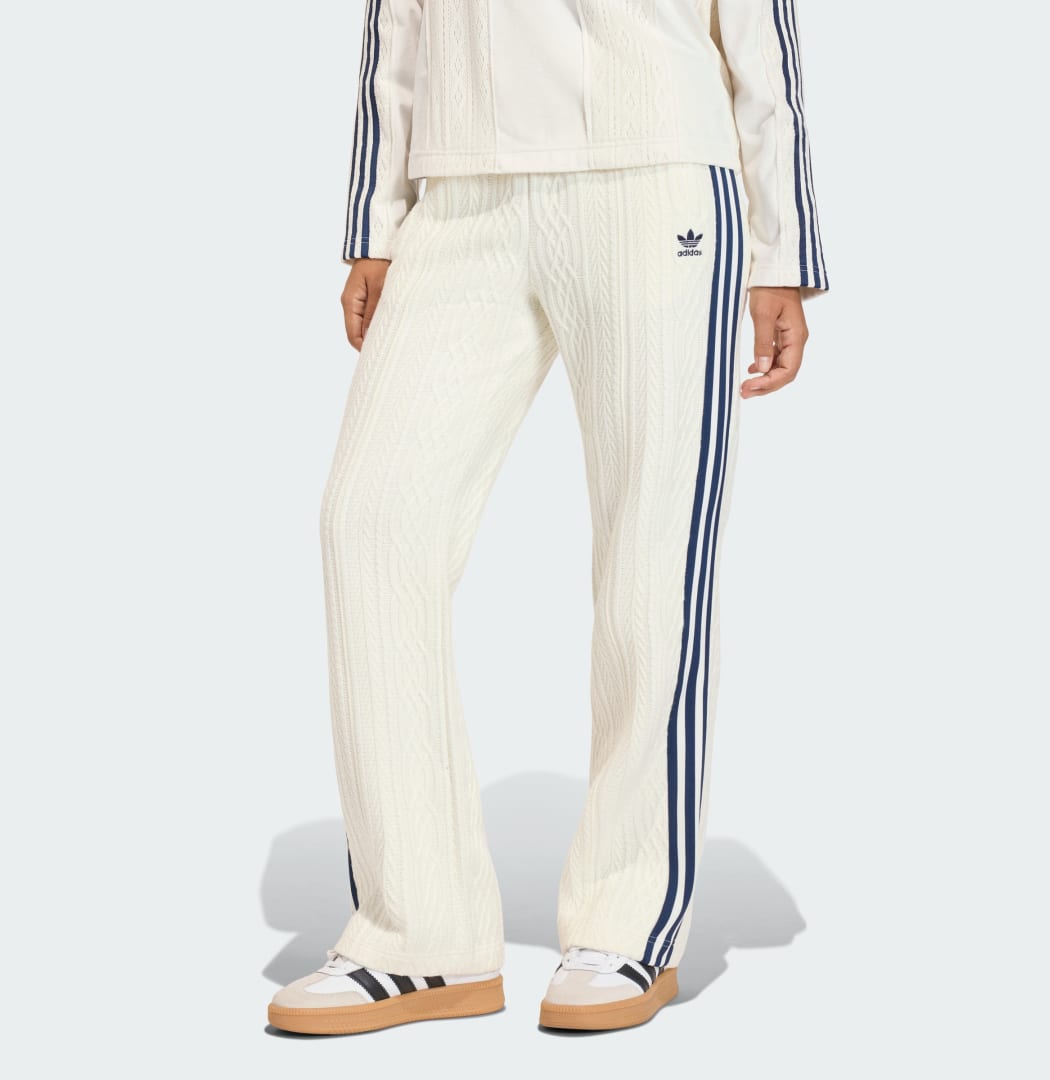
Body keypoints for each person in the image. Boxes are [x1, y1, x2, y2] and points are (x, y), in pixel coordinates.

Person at [268, 0, 829, 1036]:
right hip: (459, 190)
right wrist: (376, 222)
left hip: (657, 175)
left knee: (651, 553)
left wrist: (783, 247)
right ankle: (416, 929)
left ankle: (628, 919)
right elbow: (395, 19)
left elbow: (761, 29)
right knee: (371, 523)